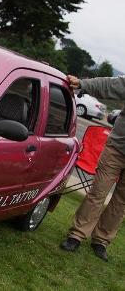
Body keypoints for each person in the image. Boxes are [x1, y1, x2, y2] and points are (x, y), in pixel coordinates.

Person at [60, 74, 125, 262]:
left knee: (120, 202)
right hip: (116, 150)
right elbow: (110, 85)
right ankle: (76, 235)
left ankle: (101, 241)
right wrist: (82, 84)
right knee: (98, 192)